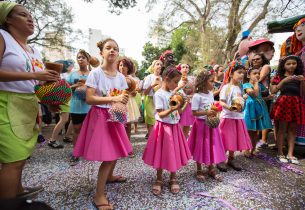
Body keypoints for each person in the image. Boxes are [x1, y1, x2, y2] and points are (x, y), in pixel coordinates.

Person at [0, 2, 60, 199]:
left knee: (22, 156)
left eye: (31, 16)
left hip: (29, 104)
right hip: (6, 102)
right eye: (22, 14)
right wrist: (33, 74)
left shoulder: (34, 50)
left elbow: (37, 81)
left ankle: (18, 192)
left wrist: (50, 99)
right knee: (12, 160)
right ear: (7, 19)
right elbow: (33, 76)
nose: (30, 18)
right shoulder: (3, 38)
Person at [73, 38, 132, 209]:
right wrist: (114, 98)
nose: (112, 50)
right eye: (108, 48)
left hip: (115, 116)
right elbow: (90, 98)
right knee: (108, 156)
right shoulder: (96, 73)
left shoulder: (121, 77)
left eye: (115, 48)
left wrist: (122, 103)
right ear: (101, 53)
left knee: (116, 150)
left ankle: (110, 176)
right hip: (100, 116)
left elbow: (122, 97)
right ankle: (99, 195)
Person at [142, 65, 191, 195]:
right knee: (161, 152)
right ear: (167, 79)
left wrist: (185, 103)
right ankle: (158, 179)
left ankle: (173, 178)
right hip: (163, 128)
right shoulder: (159, 94)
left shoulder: (173, 93)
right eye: (175, 82)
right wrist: (172, 109)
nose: (176, 85)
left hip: (174, 127)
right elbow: (161, 114)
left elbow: (179, 112)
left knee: (173, 152)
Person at [188, 70, 227, 182]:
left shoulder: (210, 94)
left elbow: (211, 106)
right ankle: (199, 169)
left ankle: (211, 167)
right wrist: (206, 113)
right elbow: (194, 113)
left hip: (211, 124)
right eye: (211, 81)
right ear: (203, 82)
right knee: (200, 146)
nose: (213, 83)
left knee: (211, 145)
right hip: (201, 125)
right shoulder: (197, 96)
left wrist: (215, 111)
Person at [270, 55, 305, 164]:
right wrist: (284, 81)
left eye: (293, 63)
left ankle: (290, 154)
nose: (291, 66)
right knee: (282, 129)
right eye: (288, 64)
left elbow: (302, 93)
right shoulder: (279, 76)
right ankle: (280, 152)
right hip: (284, 103)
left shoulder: (299, 77)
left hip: (296, 103)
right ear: (283, 66)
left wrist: (303, 81)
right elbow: (273, 91)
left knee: (293, 130)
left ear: (297, 64)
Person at [218, 62, 252, 171]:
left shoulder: (240, 88)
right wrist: (229, 108)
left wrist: (243, 99)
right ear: (231, 74)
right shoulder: (226, 87)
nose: (242, 75)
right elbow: (221, 102)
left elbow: (240, 103)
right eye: (239, 72)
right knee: (225, 138)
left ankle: (231, 158)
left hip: (238, 118)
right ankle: (220, 159)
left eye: (243, 73)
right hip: (227, 117)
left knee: (234, 138)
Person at [67, 50, 92, 165]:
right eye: (78, 57)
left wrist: (87, 86)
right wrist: (75, 86)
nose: (80, 59)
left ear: (88, 60)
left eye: (83, 57)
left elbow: (99, 89)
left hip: (90, 106)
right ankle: (76, 153)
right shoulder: (72, 74)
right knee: (76, 129)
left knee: (89, 130)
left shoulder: (93, 74)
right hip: (76, 105)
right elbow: (66, 89)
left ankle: (88, 151)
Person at [243, 68, 272, 157]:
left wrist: (268, 98)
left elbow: (261, 95)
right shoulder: (246, 85)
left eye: (258, 73)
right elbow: (254, 94)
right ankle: (246, 149)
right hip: (251, 108)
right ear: (248, 75)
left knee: (256, 131)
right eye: (254, 73)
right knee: (249, 130)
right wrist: (256, 83)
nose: (257, 75)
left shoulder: (260, 85)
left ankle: (253, 149)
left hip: (260, 107)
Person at [47, 60, 74, 148]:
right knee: (63, 120)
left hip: (66, 99)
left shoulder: (64, 75)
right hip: (63, 100)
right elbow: (62, 88)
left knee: (68, 120)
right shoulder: (60, 75)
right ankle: (52, 140)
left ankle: (65, 136)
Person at [117, 57, 140, 157]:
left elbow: (135, 91)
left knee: (128, 126)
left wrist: (134, 92)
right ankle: (118, 147)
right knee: (119, 125)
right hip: (118, 102)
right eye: (121, 65)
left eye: (125, 65)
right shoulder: (115, 77)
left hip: (129, 102)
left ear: (129, 67)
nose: (122, 67)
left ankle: (128, 147)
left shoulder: (132, 79)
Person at [142, 60, 162, 137]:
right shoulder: (149, 77)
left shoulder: (162, 78)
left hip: (159, 101)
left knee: (158, 121)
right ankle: (151, 142)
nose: (159, 66)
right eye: (157, 64)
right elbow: (145, 93)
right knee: (151, 121)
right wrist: (152, 85)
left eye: (161, 65)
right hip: (150, 100)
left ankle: (157, 141)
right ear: (153, 67)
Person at [176, 63, 195, 138]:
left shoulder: (191, 79)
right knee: (180, 124)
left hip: (189, 103)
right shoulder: (177, 79)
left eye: (187, 67)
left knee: (187, 124)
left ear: (189, 69)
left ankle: (185, 142)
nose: (185, 68)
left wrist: (191, 95)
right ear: (180, 69)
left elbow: (194, 90)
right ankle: (179, 141)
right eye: (183, 67)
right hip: (180, 103)